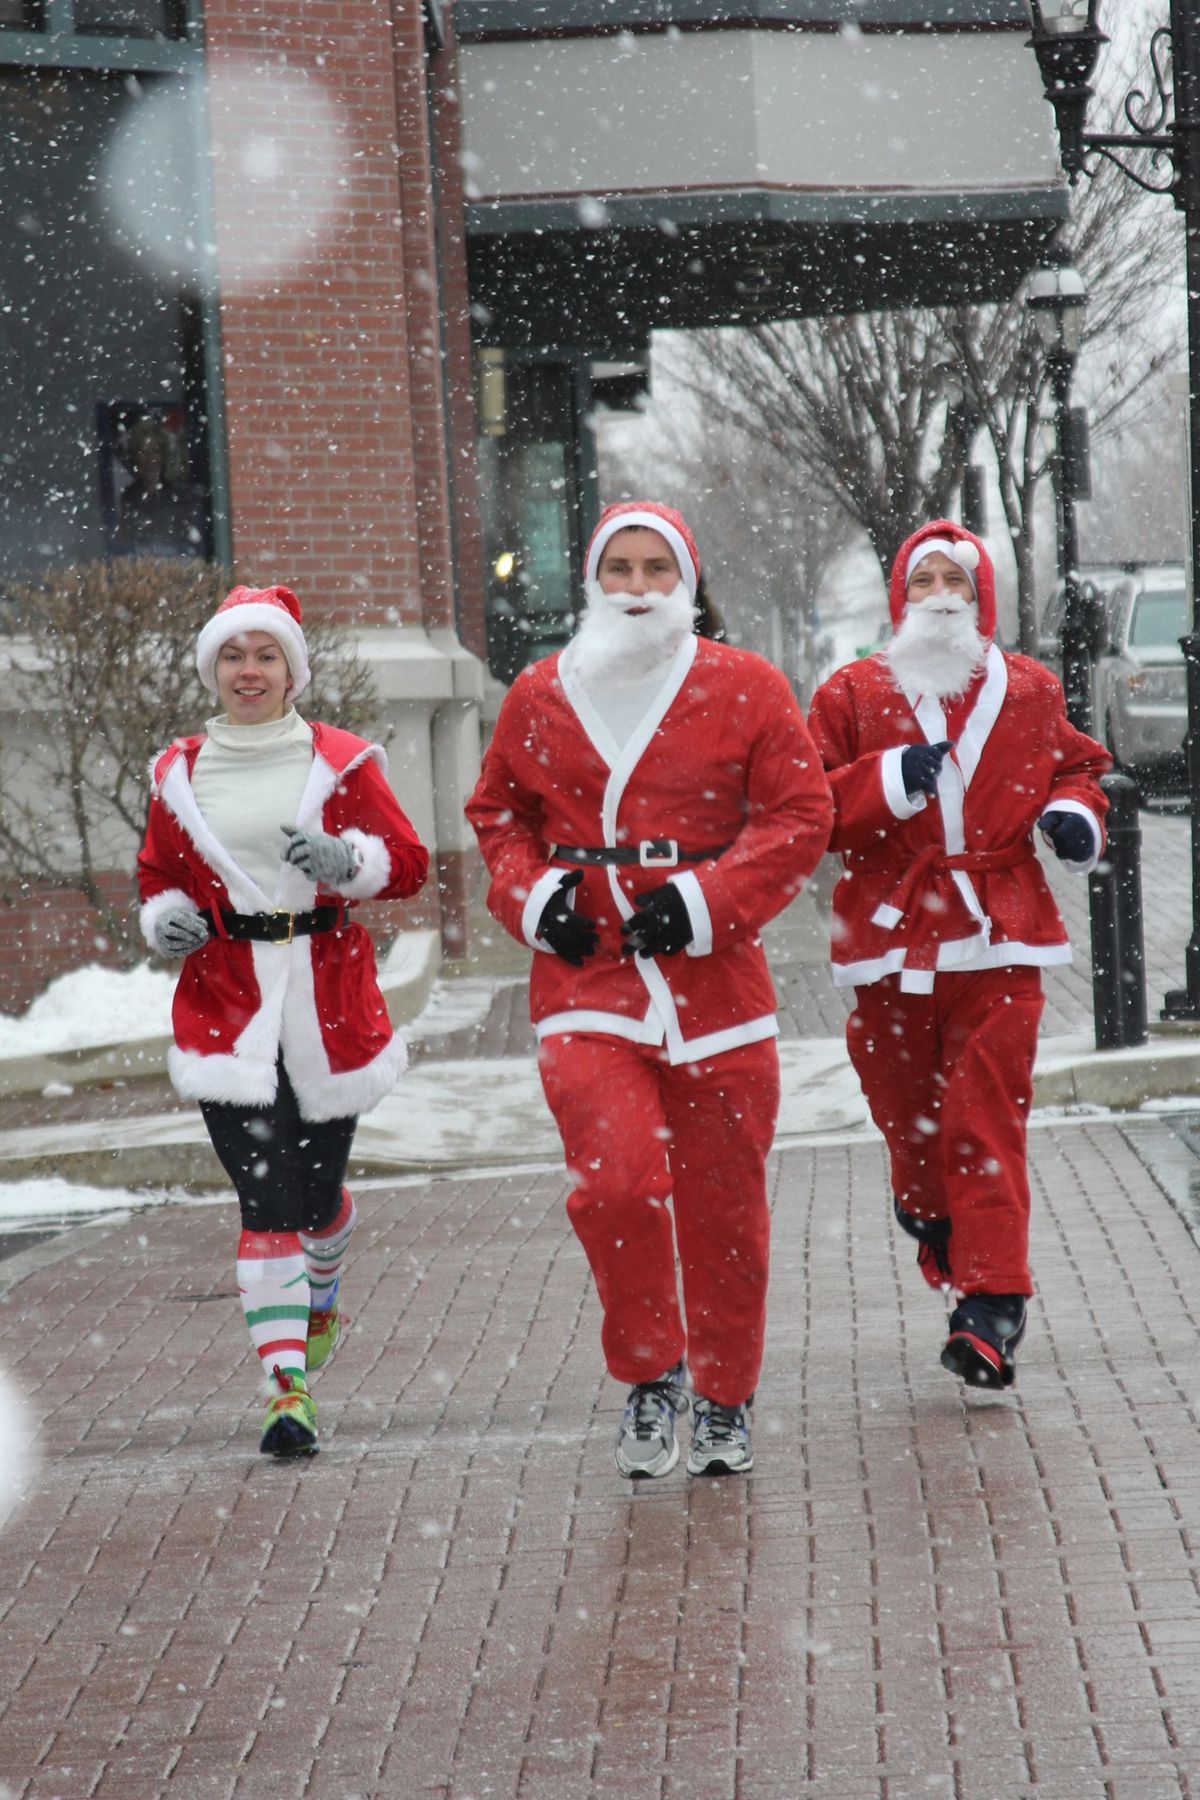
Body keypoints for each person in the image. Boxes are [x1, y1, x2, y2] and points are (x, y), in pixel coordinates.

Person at [465, 502, 833, 1478]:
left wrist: (709, 900)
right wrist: (538, 900)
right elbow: (496, 815)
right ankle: (650, 1373)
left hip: (716, 986)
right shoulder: (540, 694)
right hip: (587, 978)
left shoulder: (747, 686)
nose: (635, 586)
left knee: (726, 1208)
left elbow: (800, 816)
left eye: (654, 569)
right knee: (617, 1182)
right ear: (592, 582)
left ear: (686, 583)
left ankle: (723, 1396)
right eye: (618, 568)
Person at [807, 520, 1110, 1390]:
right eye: (926, 581)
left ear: (984, 602)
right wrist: (889, 781)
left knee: (985, 1114)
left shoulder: (1030, 691)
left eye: (960, 584)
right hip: (890, 938)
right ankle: (930, 1208)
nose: (943, 597)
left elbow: (1081, 769)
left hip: (1000, 933)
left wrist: (1075, 815)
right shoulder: (853, 693)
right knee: (908, 1115)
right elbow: (809, 806)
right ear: (900, 597)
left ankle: (991, 1306)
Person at [137, 583, 429, 1456]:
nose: (249, 671)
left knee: (310, 1203)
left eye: (266, 655)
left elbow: (407, 862)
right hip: (225, 1007)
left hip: (323, 1008)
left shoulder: (338, 760)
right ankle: (285, 1388)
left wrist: (349, 860)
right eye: (234, 655)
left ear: (293, 670)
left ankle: (326, 1269)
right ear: (212, 669)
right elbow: (157, 876)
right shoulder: (177, 771)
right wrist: (166, 920)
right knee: (263, 1197)